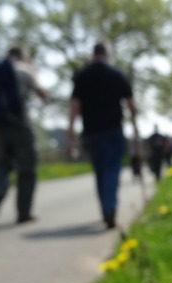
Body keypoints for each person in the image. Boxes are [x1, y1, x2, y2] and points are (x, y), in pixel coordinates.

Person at [66, 42, 140, 229]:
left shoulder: (82, 76)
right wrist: (135, 126)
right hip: (113, 130)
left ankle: (105, 208)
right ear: (108, 54)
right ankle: (110, 207)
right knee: (112, 169)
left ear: (94, 54)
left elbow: (74, 108)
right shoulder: (117, 74)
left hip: (91, 132)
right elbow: (132, 106)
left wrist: (71, 135)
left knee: (99, 171)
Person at [0, 46, 48, 224]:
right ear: (22, 56)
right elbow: (42, 95)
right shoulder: (25, 71)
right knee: (26, 171)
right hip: (21, 127)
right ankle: (23, 213)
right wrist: (34, 72)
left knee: (3, 166)